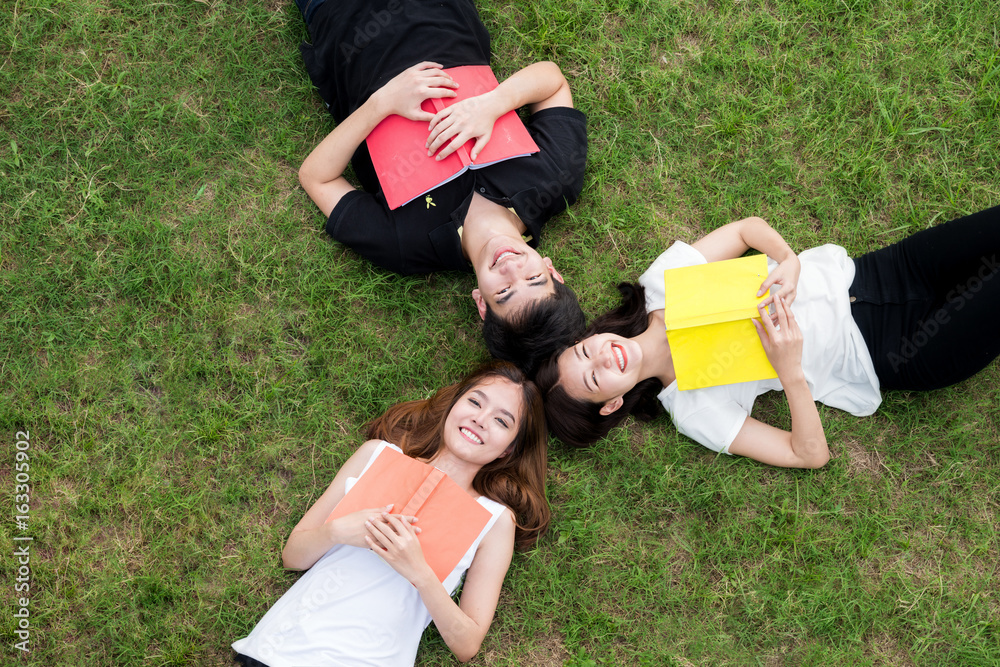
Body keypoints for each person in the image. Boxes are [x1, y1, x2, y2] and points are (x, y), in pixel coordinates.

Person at [535, 207, 1000, 468]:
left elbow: (743, 230)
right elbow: (810, 455)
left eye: (583, 351)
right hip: (896, 350)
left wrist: (788, 258)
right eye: (595, 379)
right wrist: (790, 370)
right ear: (613, 404)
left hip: (884, 270)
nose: (602, 358)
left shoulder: (658, 286)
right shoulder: (693, 409)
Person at [293, 0, 588, 371]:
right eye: (533, 278)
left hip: (342, 20)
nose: (511, 268)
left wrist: (381, 103)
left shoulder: (405, 244)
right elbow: (552, 81)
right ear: (552, 270)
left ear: (481, 302)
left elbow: (316, 176)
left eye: (504, 292)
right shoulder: (555, 180)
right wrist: (493, 104)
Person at [232, 361, 550, 666]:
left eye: (502, 421)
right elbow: (292, 557)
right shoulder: (377, 455)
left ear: (509, 448)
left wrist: (420, 572)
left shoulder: (494, 520)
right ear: (455, 405)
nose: (481, 419)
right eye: (475, 402)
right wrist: (338, 532)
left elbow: (467, 646)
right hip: (282, 650)